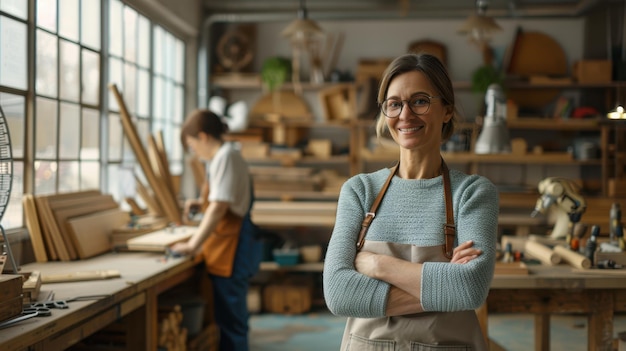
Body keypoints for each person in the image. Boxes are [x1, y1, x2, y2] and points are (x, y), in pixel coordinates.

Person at [323, 53, 499, 350]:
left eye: (420, 101)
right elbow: (339, 294)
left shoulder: (472, 193)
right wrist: (443, 287)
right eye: (394, 104)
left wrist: (376, 265)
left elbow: (470, 289)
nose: (405, 115)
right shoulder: (359, 191)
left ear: (446, 110)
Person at [171, 109, 263, 351]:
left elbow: (220, 207)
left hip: (231, 246)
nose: (194, 151)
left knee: (231, 320)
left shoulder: (225, 157)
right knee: (227, 317)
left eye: (192, 145)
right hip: (227, 243)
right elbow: (220, 200)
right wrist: (199, 202)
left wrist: (193, 245)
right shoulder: (224, 157)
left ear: (202, 136)